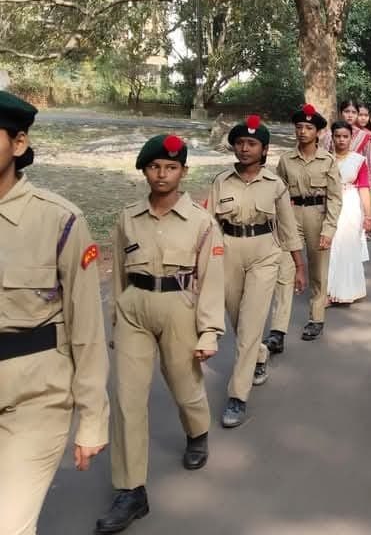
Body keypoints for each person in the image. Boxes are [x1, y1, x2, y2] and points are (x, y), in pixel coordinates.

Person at [96, 134, 226, 534]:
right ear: (144, 171)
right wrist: (117, 317)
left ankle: (197, 432)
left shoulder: (202, 222)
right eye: (155, 167)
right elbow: (118, 272)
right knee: (127, 399)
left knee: (185, 387)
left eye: (171, 168)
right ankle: (131, 490)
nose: (162, 174)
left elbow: (212, 279)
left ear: (183, 172)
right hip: (135, 308)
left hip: (179, 308)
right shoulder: (127, 217)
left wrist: (209, 332)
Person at [0, 91, 110, 535]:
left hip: (35, 398)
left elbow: (86, 328)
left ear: (19, 144)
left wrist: (92, 418)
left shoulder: (59, 220)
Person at [207, 116, 305, 427]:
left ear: (264, 150)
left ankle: (238, 395)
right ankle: (259, 356)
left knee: (250, 324)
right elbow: (209, 225)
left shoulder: (275, 185)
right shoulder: (221, 181)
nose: (244, 148)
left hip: (265, 252)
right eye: (239, 143)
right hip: (228, 252)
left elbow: (288, 229)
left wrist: (299, 266)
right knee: (237, 319)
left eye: (251, 144)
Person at [270, 104, 342, 343]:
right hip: (291, 216)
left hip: (317, 216)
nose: (302, 132)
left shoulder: (328, 160)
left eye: (308, 128)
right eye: (299, 127)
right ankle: (278, 330)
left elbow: (334, 197)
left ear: (318, 133)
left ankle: (316, 318)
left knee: (317, 271)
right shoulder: (285, 160)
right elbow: (277, 192)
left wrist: (329, 228)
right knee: (285, 271)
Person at [327, 122, 370, 303]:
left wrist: (368, 215)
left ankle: (348, 291)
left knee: (347, 245)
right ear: (332, 137)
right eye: (338, 136)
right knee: (330, 246)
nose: (341, 140)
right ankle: (328, 291)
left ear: (351, 138)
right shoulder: (325, 159)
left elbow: (364, 188)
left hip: (351, 205)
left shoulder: (359, 160)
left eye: (345, 136)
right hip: (328, 204)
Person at [341, 101, 371, 239]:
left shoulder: (368, 137)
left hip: (362, 181)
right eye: (347, 112)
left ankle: (364, 230)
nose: (350, 115)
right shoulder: (333, 134)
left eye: (354, 112)